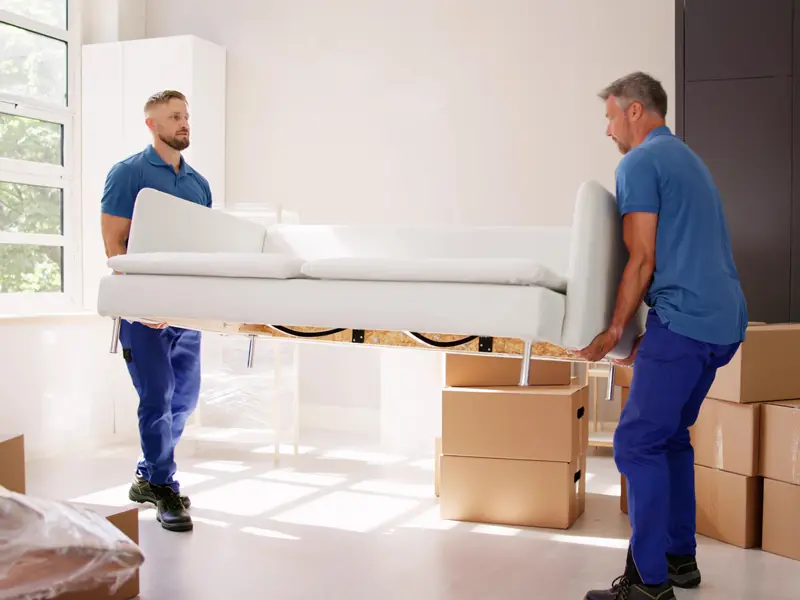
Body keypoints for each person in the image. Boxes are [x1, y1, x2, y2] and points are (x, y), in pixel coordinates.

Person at [576, 72, 748, 600]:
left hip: (688, 322)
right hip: (724, 323)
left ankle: (649, 585)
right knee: (670, 437)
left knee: (636, 441)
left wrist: (613, 331)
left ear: (634, 111)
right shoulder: (686, 159)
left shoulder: (640, 162)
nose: (607, 129)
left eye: (610, 115)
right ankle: (679, 561)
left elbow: (642, 258)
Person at [100, 90, 212, 533]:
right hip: (143, 315)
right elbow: (114, 246)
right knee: (157, 399)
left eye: (186, 115)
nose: (184, 123)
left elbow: (204, 249)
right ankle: (165, 487)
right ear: (152, 125)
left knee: (184, 400)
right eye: (173, 117)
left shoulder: (198, 183)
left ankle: (147, 475)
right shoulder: (128, 173)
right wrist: (141, 302)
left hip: (185, 313)